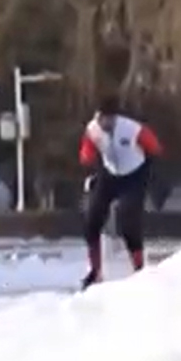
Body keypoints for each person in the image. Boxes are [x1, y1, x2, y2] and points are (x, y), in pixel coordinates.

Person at [77, 93, 160, 288]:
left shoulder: (131, 129)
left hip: (134, 174)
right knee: (92, 219)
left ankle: (139, 269)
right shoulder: (93, 130)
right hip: (110, 173)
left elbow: (155, 147)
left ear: (115, 117)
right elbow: (87, 151)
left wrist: (148, 171)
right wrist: (87, 156)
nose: (104, 123)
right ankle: (95, 271)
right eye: (101, 118)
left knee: (128, 218)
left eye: (108, 119)